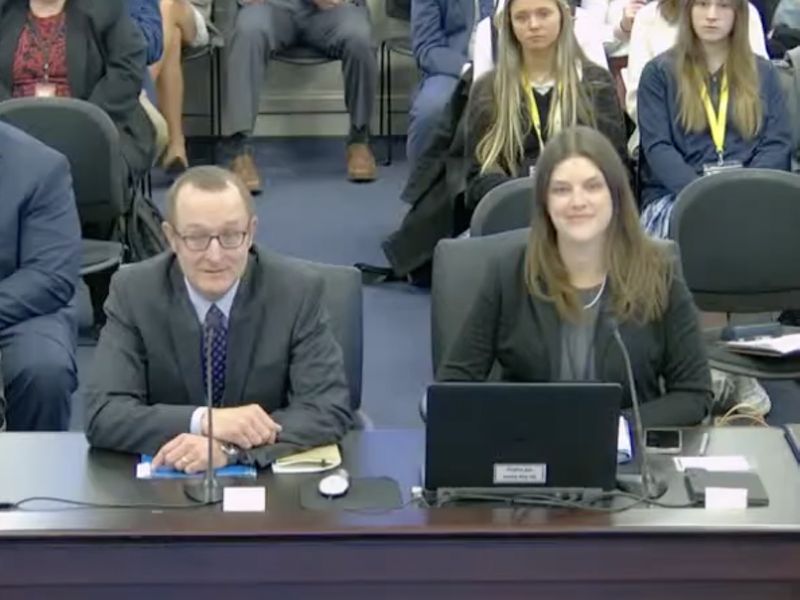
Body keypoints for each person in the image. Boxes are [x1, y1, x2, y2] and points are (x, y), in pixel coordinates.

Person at [438, 126, 711, 427]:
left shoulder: (659, 272)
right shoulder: (509, 273)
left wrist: (615, 427)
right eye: (561, 190)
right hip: (532, 445)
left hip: (628, 448)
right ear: (545, 201)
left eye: (592, 187)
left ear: (616, 195)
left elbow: (693, 394)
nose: (577, 201)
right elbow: (454, 387)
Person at [85, 166, 353, 471]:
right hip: (166, 484)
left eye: (230, 236)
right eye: (196, 237)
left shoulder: (297, 291)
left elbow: (326, 410)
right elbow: (103, 414)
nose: (215, 256)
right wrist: (205, 421)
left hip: (270, 484)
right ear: (171, 237)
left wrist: (228, 448)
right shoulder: (134, 291)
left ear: (250, 233)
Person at [638, 0, 791, 237]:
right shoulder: (658, 74)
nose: (711, 15)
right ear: (688, 10)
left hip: (751, 195)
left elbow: (776, 143)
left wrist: (746, 191)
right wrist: (704, 195)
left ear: (738, 14)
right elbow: (658, 147)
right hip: (678, 196)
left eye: (723, 6)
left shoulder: (764, 72)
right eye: (702, 4)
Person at [465, 0, 627, 210]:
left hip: (583, 208)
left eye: (543, 14)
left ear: (563, 17)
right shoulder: (488, 91)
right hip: (515, 211)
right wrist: (524, 195)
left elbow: (616, 167)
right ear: (509, 24)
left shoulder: (595, 84)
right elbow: (476, 179)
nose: (533, 25)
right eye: (521, 17)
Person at [221, 0, 378, 193]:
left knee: (359, 37)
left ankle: (359, 139)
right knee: (248, 31)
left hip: (331, 11)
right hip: (272, 7)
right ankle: (240, 150)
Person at [0, 0, 157, 189]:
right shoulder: (5, 10)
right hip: (13, 131)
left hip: (94, 127)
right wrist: (14, 125)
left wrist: (83, 124)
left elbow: (127, 68)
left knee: (86, 168)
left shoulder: (105, 8)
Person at [0, 122, 81, 431]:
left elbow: (49, 276)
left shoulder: (40, 167)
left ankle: (35, 462)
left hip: (17, 304)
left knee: (44, 370)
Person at [625, 0, 767, 123]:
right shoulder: (648, 18)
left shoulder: (745, 13)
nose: (711, 15)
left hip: (738, 132)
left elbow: (760, 88)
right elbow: (637, 101)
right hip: (665, 133)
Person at [407, 0, 483, 168]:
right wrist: (468, 70)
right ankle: (423, 183)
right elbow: (427, 46)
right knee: (432, 109)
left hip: (516, 63)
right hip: (455, 68)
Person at [149, 0, 212, 173]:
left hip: (188, 13)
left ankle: (138, 92)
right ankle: (176, 144)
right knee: (173, 38)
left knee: (167, 5)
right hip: (142, 15)